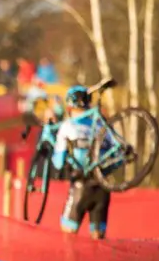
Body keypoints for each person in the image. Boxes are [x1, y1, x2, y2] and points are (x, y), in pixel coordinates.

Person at [51, 85, 123, 240]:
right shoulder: (100, 125)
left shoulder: (67, 126)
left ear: (70, 105)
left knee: (67, 238)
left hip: (81, 186)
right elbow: (117, 156)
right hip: (103, 187)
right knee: (98, 240)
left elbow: (58, 162)